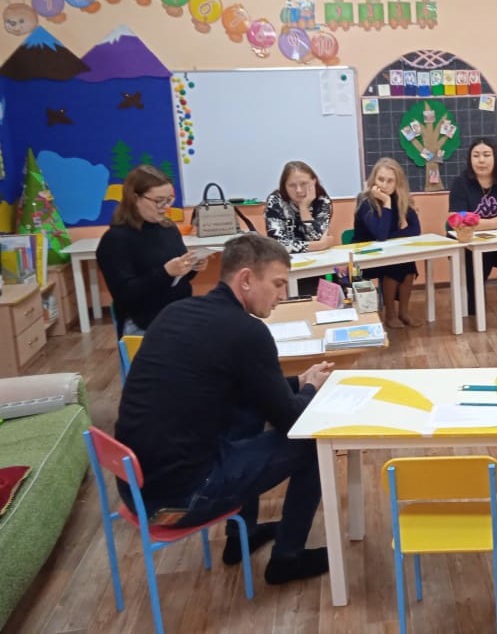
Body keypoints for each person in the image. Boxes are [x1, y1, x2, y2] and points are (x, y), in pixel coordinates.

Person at [115, 234, 334, 585]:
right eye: (278, 284)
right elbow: (292, 421)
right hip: (178, 502)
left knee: (246, 411)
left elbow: (245, 388)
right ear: (246, 279)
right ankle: (287, 559)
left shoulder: (177, 311)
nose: (282, 295)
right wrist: (310, 389)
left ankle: (241, 537)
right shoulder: (247, 332)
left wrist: (298, 382)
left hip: (136, 491)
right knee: (313, 442)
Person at [97, 165, 207, 336]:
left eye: (169, 200)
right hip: (144, 322)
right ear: (135, 198)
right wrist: (166, 272)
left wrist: (192, 266)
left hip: (179, 314)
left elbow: (179, 280)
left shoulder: (168, 229)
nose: (166, 207)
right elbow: (125, 294)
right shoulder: (116, 239)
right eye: (159, 201)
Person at [448, 138, 497, 312]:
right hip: (471, 240)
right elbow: (457, 219)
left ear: (495, 157)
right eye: (476, 155)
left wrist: (476, 222)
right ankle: (474, 299)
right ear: (470, 159)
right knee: (475, 258)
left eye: (486, 155)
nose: (481, 160)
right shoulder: (461, 182)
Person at [353, 158, 422, 328]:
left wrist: (392, 235)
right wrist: (386, 203)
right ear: (373, 180)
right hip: (365, 256)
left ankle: (404, 312)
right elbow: (381, 235)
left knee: (408, 265)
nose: (384, 185)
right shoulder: (365, 201)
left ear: (397, 182)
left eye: (390, 181)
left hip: (389, 250)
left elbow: (415, 230)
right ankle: (390, 313)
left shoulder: (402, 198)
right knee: (393, 266)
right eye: (380, 179)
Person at [265, 161, 334, 254]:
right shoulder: (275, 201)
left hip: (316, 257)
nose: (299, 190)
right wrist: (319, 245)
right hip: (285, 259)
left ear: (314, 182)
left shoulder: (322, 201)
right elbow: (277, 245)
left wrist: (304, 208)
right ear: (284, 186)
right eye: (292, 185)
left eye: (303, 183)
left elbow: (316, 238)